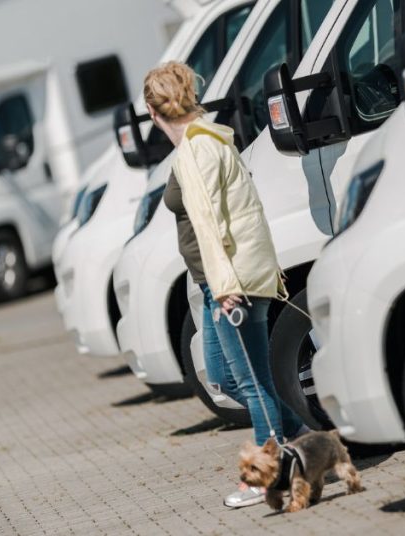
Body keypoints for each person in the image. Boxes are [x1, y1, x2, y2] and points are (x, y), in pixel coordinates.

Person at [144, 62, 307, 508]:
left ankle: (265, 478)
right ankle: (304, 439)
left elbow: (210, 224)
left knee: (251, 383)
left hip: (229, 283)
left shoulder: (195, 152)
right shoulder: (207, 140)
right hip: (221, 279)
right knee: (223, 377)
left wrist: (223, 286)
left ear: (154, 113)